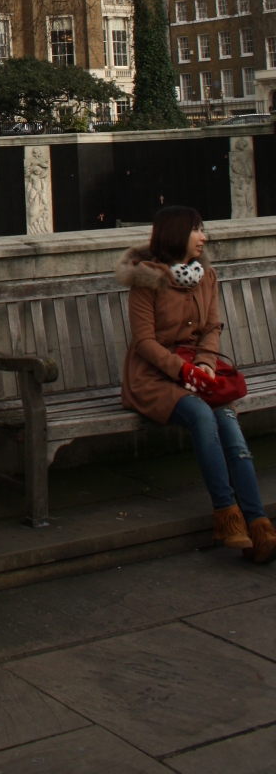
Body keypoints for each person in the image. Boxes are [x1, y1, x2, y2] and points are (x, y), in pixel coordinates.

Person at [117, 206, 276, 563]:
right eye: (197, 230)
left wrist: (204, 365)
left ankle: (258, 522)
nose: (204, 236)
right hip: (154, 377)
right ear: (177, 234)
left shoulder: (207, 276)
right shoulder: (148, 280)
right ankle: (226, 514)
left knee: (229, 425)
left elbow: (211, 329)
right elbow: (144, 342)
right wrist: (183, 372)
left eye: (203, 230)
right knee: (203, 417)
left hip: (197, 372)